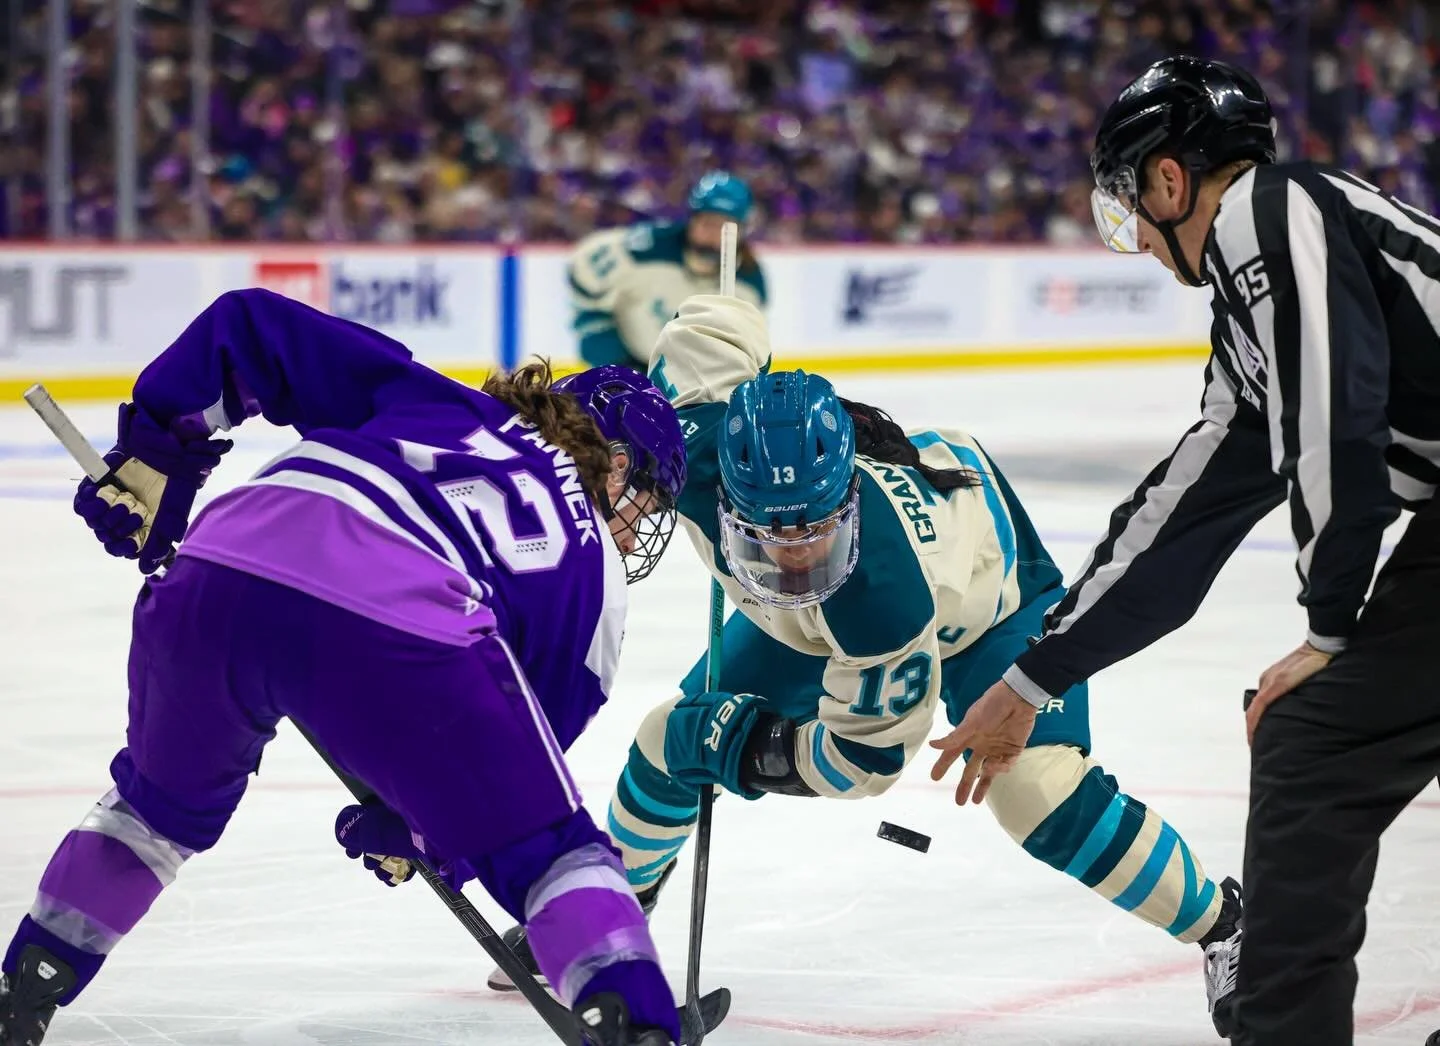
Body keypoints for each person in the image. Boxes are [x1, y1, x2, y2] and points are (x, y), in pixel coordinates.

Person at [487, 293, 1244, 1029]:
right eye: (768, 536)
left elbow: (865, 759)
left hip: (990, 603)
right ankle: (612, 919)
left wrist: (737, 746)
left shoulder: (880, 594)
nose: (794, 556)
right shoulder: (683, 444)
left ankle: (1229, 928)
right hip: (814, 617)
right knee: (665, 742)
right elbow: (713, 328)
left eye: (813, 533)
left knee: (1036, 792)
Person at [0, 289, 690, 1046]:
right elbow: (515, 767)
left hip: (215, 568)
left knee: (155, 813)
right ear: (616, 469)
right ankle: (639, 1025)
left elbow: (248, 328)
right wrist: (424, 832)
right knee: (553, 852)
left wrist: (158, 456)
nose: (638, 532)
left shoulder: (435, 400)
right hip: (394, 618)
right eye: (646, 500)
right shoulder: (597, 573)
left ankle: (25, 986)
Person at [930, 55, 1440, 1045]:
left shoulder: (1270, 210)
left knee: (1314, 740)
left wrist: (1330, 631)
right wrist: (1032, 678)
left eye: (1130, 204)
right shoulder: (1253, 313)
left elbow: (1335, 423)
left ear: (1169, 181)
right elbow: (1179, 521)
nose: (1139, 237)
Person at [568, 170, 768, 370]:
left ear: (741, 230)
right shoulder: (647, 249)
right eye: (707, 222)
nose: (713, 234)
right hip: (629, 368)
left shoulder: (748, 284)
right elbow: (585, 264)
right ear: (691, 220)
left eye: (724, 226)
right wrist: (598, 331)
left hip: (688, 379)